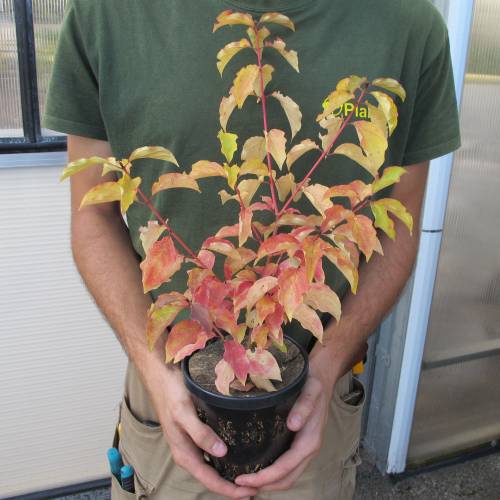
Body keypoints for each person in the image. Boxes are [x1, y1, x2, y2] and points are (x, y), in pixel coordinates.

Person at [42, 0, 461, 498]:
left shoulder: (408, 25)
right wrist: (155, 371)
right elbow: (93, 217)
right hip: (170, 387)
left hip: (316, 400)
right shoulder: (105, 15)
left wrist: (324, 372)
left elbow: (399, 226)